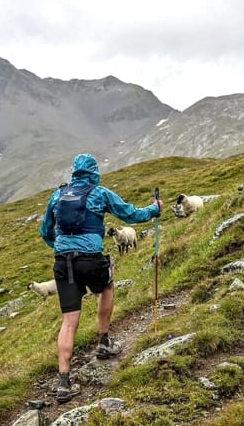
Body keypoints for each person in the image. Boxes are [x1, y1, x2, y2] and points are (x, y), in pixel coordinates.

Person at [39, 154, 161, 402]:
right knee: (106, 286)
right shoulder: (99, 193)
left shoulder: (58, 195)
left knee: (69, 321)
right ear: (94, 172)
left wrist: (60, 246)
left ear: (74, 172)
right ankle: (104, 341)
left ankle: (64, 382)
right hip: (91, 258)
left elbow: (45, 231)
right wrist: (155, 209)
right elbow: (131, 215)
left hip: (64, 263)